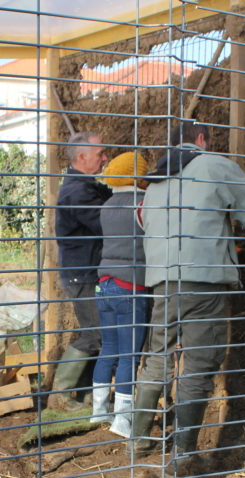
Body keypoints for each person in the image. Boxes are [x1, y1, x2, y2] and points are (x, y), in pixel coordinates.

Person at [132, 120, 245, 470]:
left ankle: (137, 441)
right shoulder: (214, 165)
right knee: (199, 363)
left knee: (157, 356)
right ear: (201, 139)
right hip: (204, 281)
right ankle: (183, 452)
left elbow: (144, 225)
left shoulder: (155, 181)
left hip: (162, 282)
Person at [89, 151, 151, 438]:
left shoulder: (107, 204)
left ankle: (98, 411)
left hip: (105, 285)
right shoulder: (142, 204)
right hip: (131, 288)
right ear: (138, 176)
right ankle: (123, 421)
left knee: (109, 349)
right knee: (129, 355)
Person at [51, 131, 111, 409]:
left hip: (86, 272)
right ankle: (60, 397)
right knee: (96, 334)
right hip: (82, 274)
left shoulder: (84, 187)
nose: (105, 158)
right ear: (82, 157)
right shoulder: (77, 192)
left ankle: (86, 395)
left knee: (96, 333)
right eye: (101, 154)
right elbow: (106, 223)